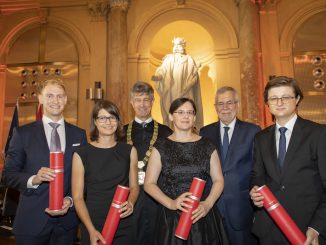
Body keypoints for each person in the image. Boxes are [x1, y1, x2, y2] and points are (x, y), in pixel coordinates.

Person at [3, 78, 87, 244]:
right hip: (31, 221)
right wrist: (34, 179)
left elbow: (84, 176)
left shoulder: (79, 135)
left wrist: (70, 200)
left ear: (65, 100)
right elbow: (8, 175)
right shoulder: (22, 134)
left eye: (60, 96)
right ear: (40, 99)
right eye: (49, 96)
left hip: (67, 224)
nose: (55, 101)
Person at [249, 76, 326, 245]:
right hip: (269, 227)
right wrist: (254, 191)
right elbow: (257, 175)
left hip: (307, 229)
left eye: (286, 97)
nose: (279, 102)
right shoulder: (260, 138)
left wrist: (317, 227)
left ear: (297, 99)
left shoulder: (319, 134)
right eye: (274, 98)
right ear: (267, 104)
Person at [144, 97, 229, 245]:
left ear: (195, 117)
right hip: (171, 218)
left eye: (190, 112)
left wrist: (207, 204)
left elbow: (218, 180)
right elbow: (149, 184)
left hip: (202, 215)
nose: (185, 116)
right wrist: (171, 203)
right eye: (180, 112)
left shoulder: (208, 145)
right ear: (171, 116)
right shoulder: (161, 146)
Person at [72, 100, 139, 245]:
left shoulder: (129, 151)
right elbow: (77, 198)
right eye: (102, 118)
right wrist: (91, 230)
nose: (108, 122)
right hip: (93, 221)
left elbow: (134, 187)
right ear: (95, 122)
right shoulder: (81, 153)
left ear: (118, 121)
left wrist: (131, 202)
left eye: (112, 117)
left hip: (123, 221)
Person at [200, 86, 260, 245]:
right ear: (215, 107)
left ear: (237, 105)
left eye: (229, 103)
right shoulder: (204, 133)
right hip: (212, 209)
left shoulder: (253, 131)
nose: (225, 108)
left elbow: (258, 169)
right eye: (220, 104)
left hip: (241, 208)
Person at [122, 81, 172, 245]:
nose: (142, 104)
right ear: (131, 103)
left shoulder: (166, 132)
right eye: (137, 100)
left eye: (146, 100)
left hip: (157, 199)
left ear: (152, 102)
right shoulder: (120, 132)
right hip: (129, 198)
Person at [152, 37, 203, 130]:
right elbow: (162, 70)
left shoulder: (189, 59)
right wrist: (158, 76)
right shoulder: (169, 59)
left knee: (186, 110)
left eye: (178, 45)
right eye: (175, 45)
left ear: (183, 46)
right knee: (172, 111)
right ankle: (171, 131)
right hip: (171, 92)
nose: (176, 47)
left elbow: (194, 76)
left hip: (186, 92)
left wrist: (190, 84)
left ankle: (188, 130)